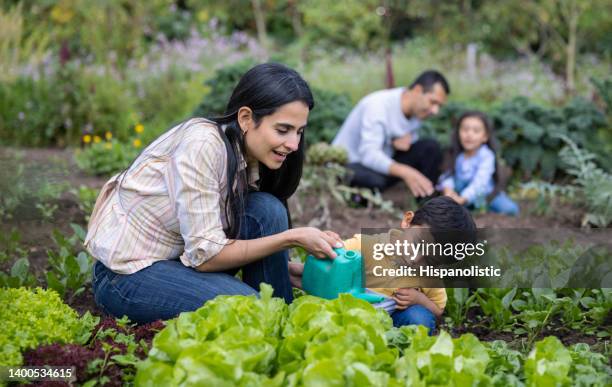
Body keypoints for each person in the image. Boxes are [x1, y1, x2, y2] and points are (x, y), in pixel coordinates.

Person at [85, 63, 344, 324]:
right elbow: (205, 255)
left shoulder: (248, 153)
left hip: (179, 262)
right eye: (283, 130)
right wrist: (292, 238)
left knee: (267, 208)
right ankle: (271, 321)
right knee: (255, 310)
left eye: (299, 131)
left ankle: (281, 322)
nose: (294, 144)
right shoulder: (203, 145)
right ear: (245, 118)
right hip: (129, 275)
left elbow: (208, 242)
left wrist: (287, 271)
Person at [343, 196, 476, 334]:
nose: (415, 259)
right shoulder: (365, 246)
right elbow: (332, 258)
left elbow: (438, 312)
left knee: (420, 318)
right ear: (408, 221)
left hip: (391, 325)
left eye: (429, 261)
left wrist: (421, 300)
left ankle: (397, 348)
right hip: (349, 316)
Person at [332, 70, 450, 198]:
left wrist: (398, 142)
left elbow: (404, 136)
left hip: (384, 159)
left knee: (431, 148)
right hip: (352, 163)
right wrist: (406, 172)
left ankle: (427, 200)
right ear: (417, 90)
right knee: (374, 181)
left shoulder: (418, 112)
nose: (435, 110)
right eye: (433, 102)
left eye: (439, 106)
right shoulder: (377, 106)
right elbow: (368, 154)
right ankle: (357, 197)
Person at [439, 111, 519, 215]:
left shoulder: (487, 156)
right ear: (458, 132)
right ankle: (466, 208)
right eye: (465, 129)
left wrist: (463, 199)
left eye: (476, 131)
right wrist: (448, 192)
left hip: (484, 194)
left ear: (485, 137)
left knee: (511, 209)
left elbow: (480, 183)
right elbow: (446, 175)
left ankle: (479, 207)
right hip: (457, 194)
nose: (469, 134)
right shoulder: (453, 153)